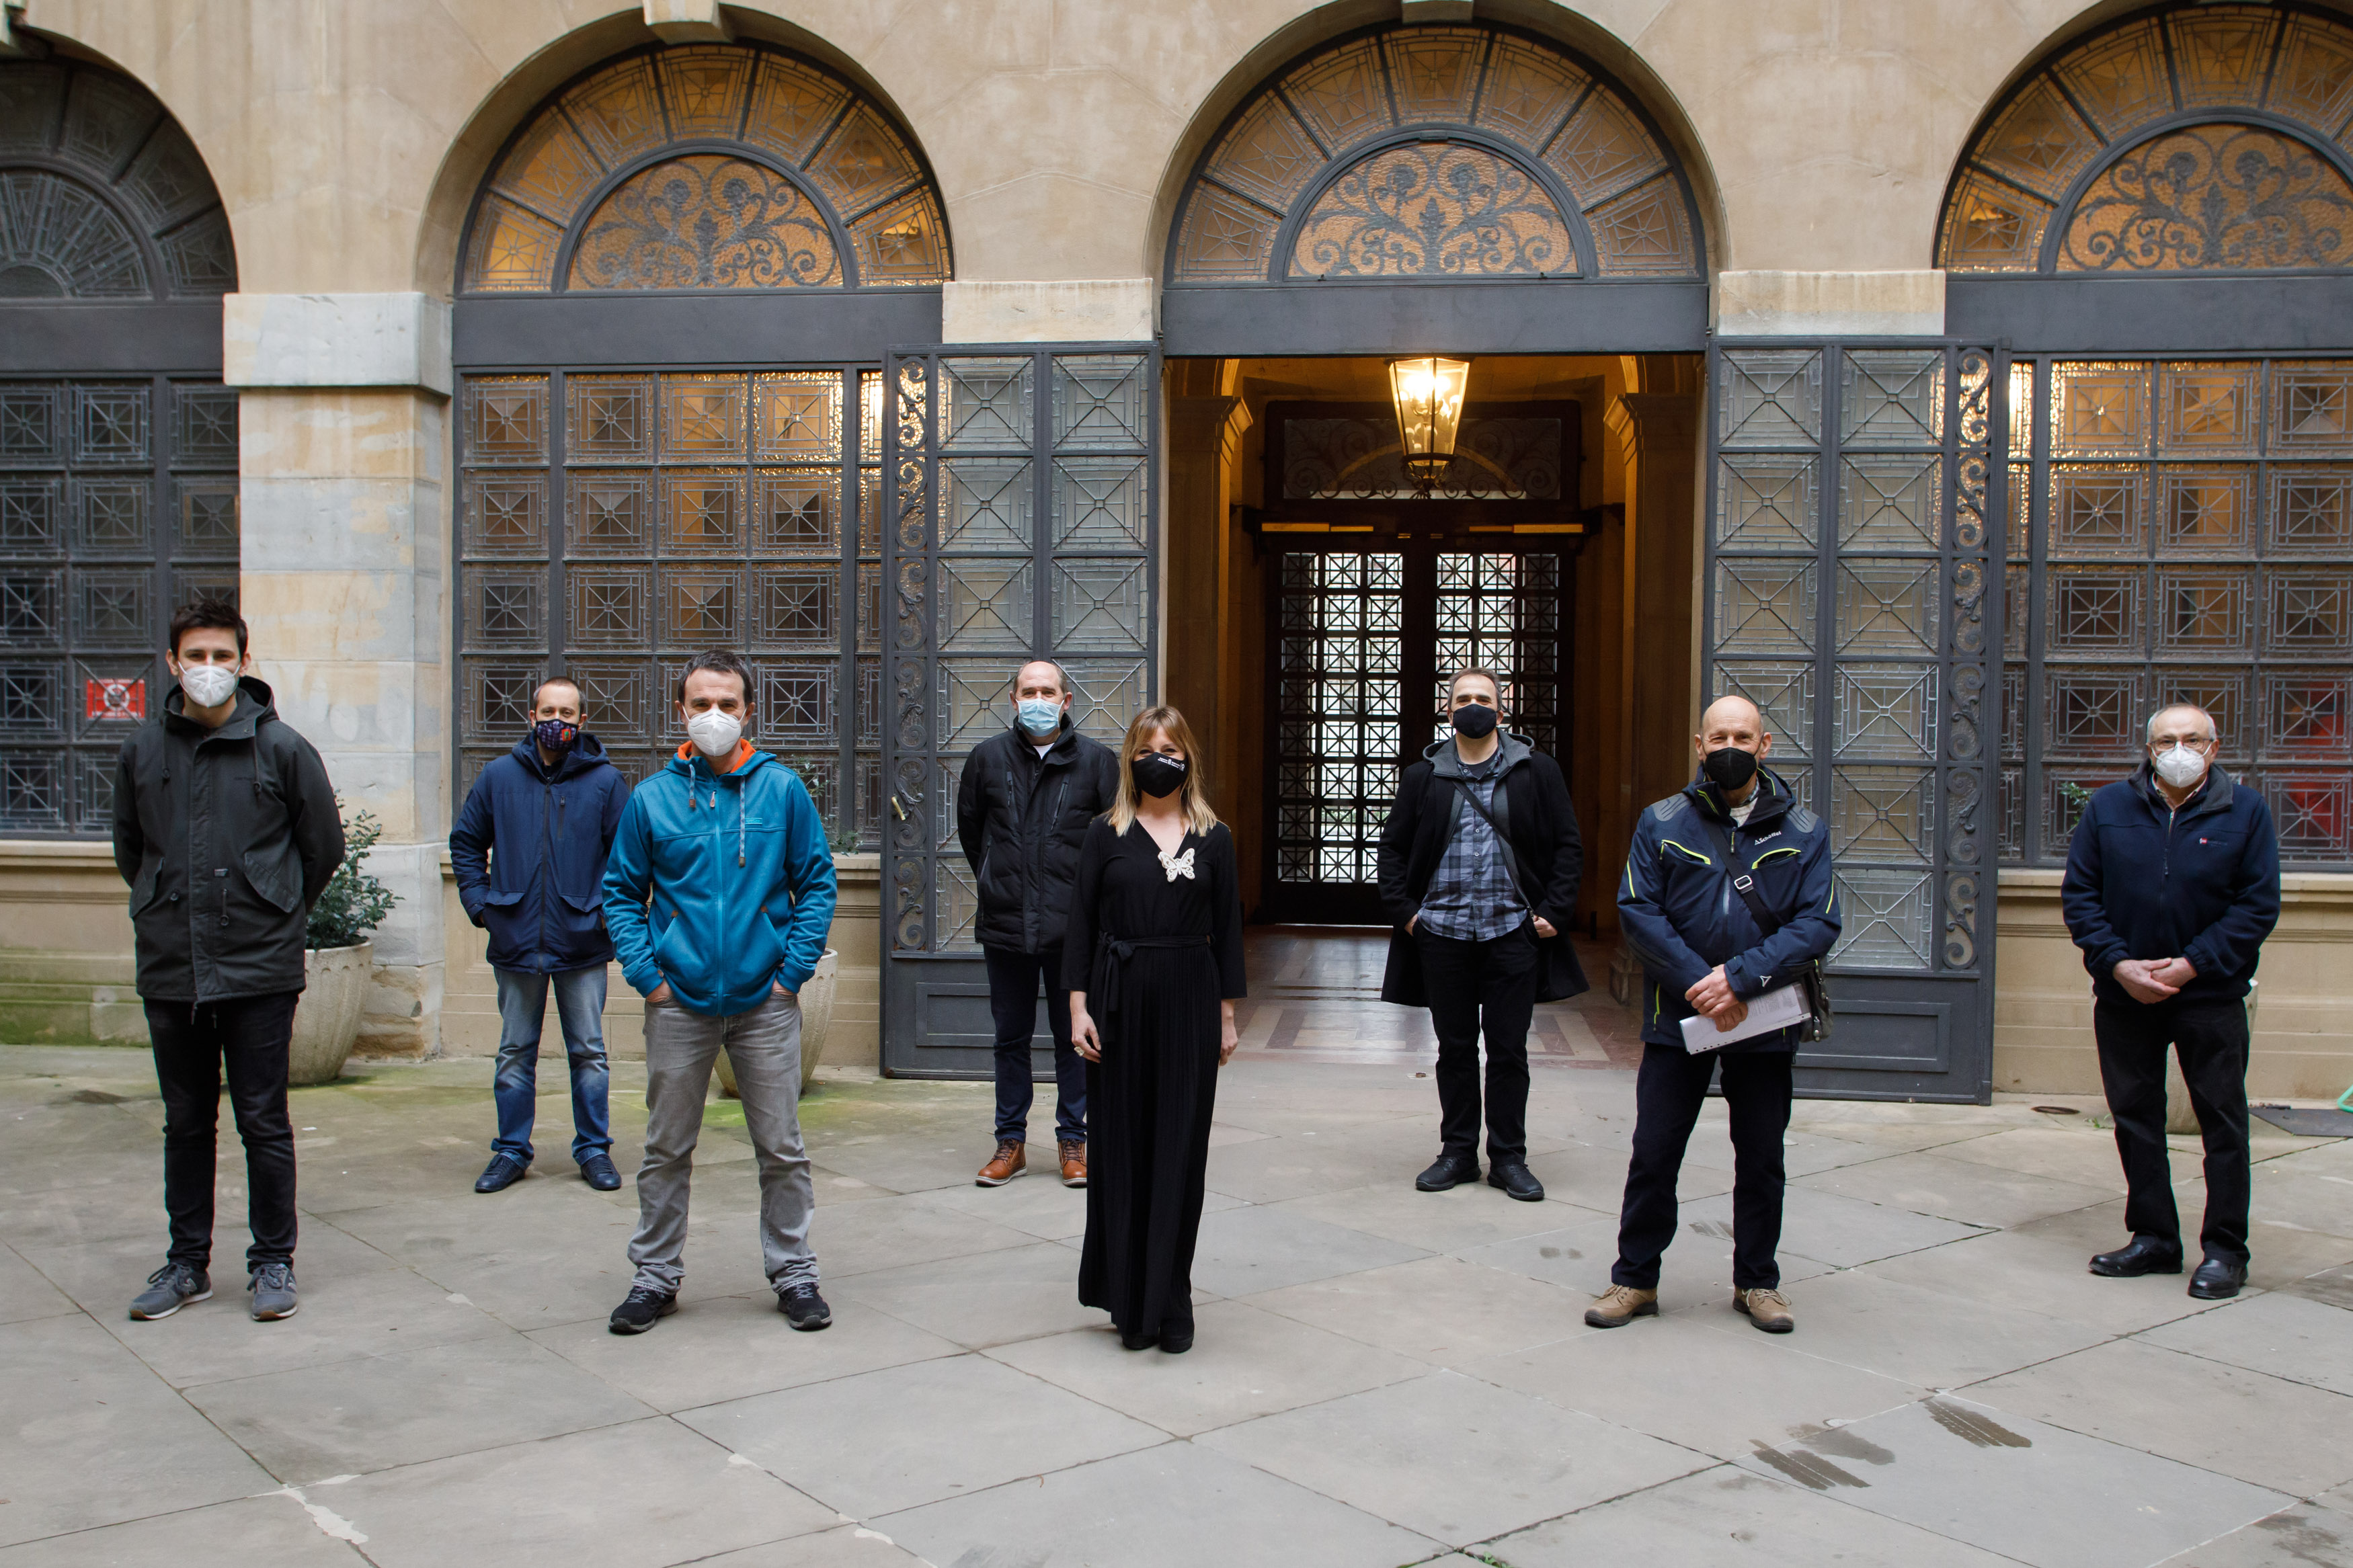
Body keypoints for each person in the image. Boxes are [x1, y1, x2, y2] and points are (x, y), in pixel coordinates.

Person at [116, 601, 344, 1324]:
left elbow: (322, 848)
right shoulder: (142, 751)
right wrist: (161, 905)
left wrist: (274, 908)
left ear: (244, 663)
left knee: (262, 1120)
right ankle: (187, 1263)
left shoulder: (282, 749)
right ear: (172, 662)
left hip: (259, 967)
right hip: (171, 964)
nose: (208, 668)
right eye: (196, 655)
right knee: (185, 1120)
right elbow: (131, 849)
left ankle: (273, 1259)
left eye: (222, 655)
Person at [600, 649, 838, 1335]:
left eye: (727, 704)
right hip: (679, 1003)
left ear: (748, 711)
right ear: (680, 710)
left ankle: (794, 1273)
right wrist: (649, 978)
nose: (714, 715)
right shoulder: (651, 799)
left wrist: (791, 973)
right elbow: (621, 893)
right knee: (665, 1149)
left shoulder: (781, 791)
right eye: (701, 703)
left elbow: (816, 881)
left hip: (765, 1003)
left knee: (782, 1148)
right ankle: (655, 1276)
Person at [1588, 694, 1839, 1335]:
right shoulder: (1662, 821)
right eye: (1718, 737)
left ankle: (1758, 1281)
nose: (1730, 747)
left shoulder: (1805, 830)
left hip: (1764, 1016)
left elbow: (1817, 923)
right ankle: (1635, 1278)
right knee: (1654, 1152)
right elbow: (1638, 909)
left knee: (1761, 1157)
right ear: (1699, 746)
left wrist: (1739, 979)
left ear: (1764, 745)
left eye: (1742, 737)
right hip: (1680, 1015)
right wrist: (1702, 984)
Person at [2063, 703, 2280, 1301]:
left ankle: (2226, 1250)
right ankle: (2155, 1237)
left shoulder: (2246, 811)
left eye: (2191, 738)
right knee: (2135, 1118)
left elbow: (2257, 905)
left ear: (2213, 747)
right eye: (2165, 740)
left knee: (2223, 1124)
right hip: (2125, 992)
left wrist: (2192, 964)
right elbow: (2081, 895)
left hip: (2209, 994)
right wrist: (2118, 963)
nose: (2178, 750)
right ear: (2149, 748)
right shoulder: (2109, 808)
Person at [1066, 706, 1244, 1354]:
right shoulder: (1104, 833)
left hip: (1190, 1000)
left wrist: (1227, 1017)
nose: (1158, 759)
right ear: (1129, 759)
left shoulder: (1215, 838)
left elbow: (1228, 930)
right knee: (1122, 1149)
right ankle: (1128, 1297)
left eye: (1169, 748)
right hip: (1118, 1003)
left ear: (1187, 757)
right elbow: (1081, 924)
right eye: (1146, 749)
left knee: (1179, 1150)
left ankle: (1171, 1298)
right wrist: (1078, 1008)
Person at [1375, 668, 1585, 1202]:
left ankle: (1509, 1157)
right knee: (1455, 1048)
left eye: (1484, 698)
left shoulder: (1537, 770)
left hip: (1512, 932)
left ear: (1501, 709)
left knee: (1509, 1049)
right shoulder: (1423, 776)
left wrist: (1555, 910)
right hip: (1442, 933)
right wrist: (1408, 914)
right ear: (1448, 711)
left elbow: (1568, 845)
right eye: (1464, 698)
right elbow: (1393, 849)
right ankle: (1459, 1152)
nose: (1474, 706)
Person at [449, 676, 632, 1195]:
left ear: (582, 720)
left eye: (567, 713)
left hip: (582, 940)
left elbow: (628, 857)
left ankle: (593, 1149)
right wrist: (481, 905)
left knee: (589, 1051)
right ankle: (511, 1150)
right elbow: (466, 843)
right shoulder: (498, 777)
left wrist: (605, 914)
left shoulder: (605, 782)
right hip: (515, 938)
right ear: (531, 717)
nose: (557, 721)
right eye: (548, 711)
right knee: (514, 1051)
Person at [957, 659, 1119, 1188]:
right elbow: (972, 832)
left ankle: (1074, 1140)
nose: (1038, 700)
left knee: (1077, 1036)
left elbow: (1113, 843)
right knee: (1010, 1037)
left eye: (1048, 691)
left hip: (1074, 932)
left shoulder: (1097, 763)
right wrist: (997, 880)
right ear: (1013, 699)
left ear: (1067, 700)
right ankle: (1011, 1142)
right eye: (1029, 691)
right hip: (1006, 926)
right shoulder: (987, 759)